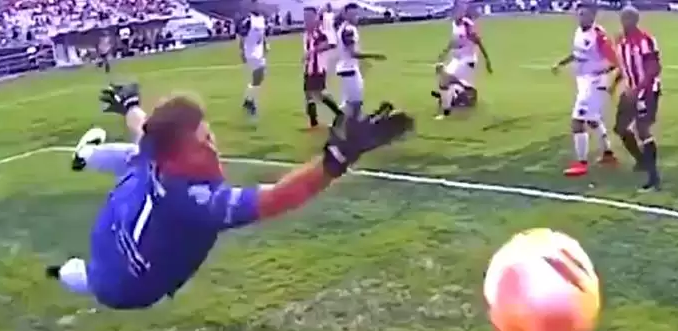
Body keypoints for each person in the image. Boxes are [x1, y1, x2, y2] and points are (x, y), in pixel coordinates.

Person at [49, 83, 413, 310]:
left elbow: (144, 128)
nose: (213, 143)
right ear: (181, 152)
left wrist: (129, 105)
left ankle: (86, 155)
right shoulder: (194, 202)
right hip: (130, 285)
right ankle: (61, 271)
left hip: (116, 224)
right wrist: (335, 160)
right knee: (88, 277)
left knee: (133, 159)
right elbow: (277, 198)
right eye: (205, 139)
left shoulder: (158, 152)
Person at [552, 2, 621, 178]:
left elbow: (615, 60)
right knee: (592, 119)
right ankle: (608, 155)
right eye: (579, 14)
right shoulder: (579, 32)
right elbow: (578, 54)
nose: (581, 17)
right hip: (583, 81)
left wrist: (603, 74)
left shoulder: (598, 35)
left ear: (593, 15)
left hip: (594, 83)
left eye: (585, 14)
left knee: (577, 121)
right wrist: (561, 63)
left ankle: (581, 163)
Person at [614, 3, 662, 191]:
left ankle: (653, 176)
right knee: (621, 128)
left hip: (647, 91)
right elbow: (624, 66)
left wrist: (639, 89)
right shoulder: (621, 41)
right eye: (623, 18)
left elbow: (654, 68)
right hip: (630, 91)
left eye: (628, 18)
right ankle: (641, 160)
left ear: (635, 20)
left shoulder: (646, 40)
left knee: (642, 129)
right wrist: (614, 84)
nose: (624, 21)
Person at [432, 1, 491, 120]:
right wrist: (444, 53)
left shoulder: (467, 25)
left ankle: (448, 107)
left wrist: (487, 60)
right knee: (445, 79)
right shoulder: (454, 24)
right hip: (456, 60)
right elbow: (453, 42)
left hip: (466, 60)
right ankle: (456, 95)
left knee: (446, 80)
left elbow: (478, 41)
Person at [302, 6, 341, 130]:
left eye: (309, 17)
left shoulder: (318, 32)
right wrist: (307, 56)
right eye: (305, 17)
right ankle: (314, 122)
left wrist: (312, 52)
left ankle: (339, 114)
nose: (306, 19)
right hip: (309, 67)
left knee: (318, 94)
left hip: (317, 67)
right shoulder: (307, 33)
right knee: (311, 94)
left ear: (315, 18)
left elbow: (329, 44)